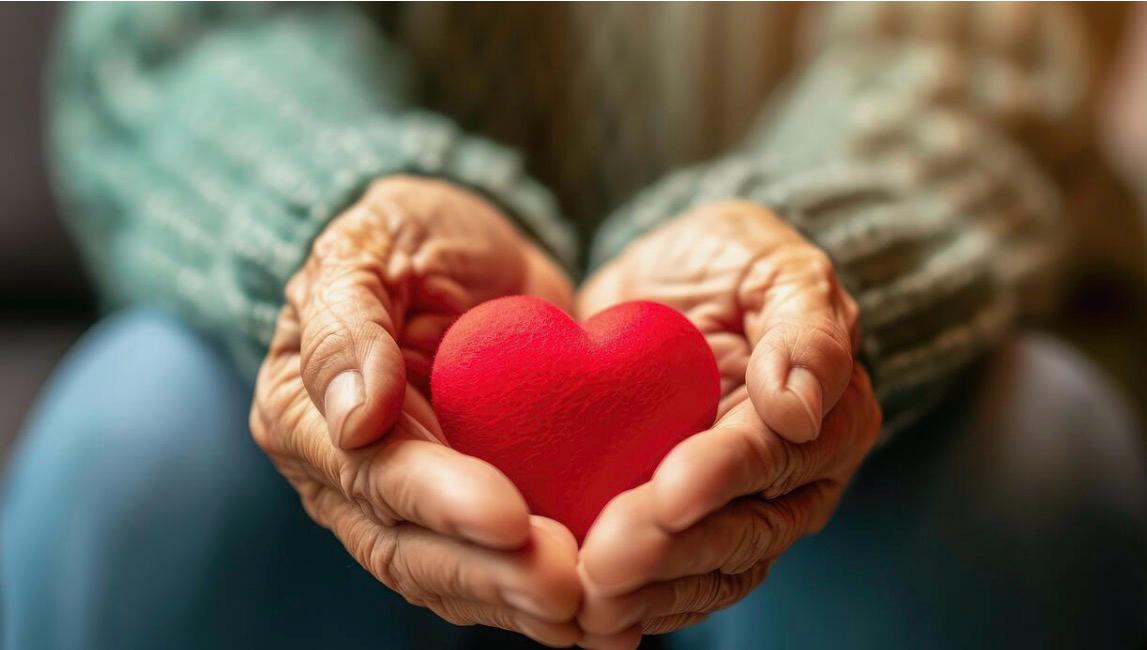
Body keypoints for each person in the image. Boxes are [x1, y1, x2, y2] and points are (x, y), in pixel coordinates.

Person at [4, 3, 1146, 649]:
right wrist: (339, 212)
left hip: (864, 306)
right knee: (139, 440)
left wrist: (813, 247)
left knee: (1021, 455)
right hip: (371, 327)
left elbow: (972, 45)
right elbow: (196, 31)